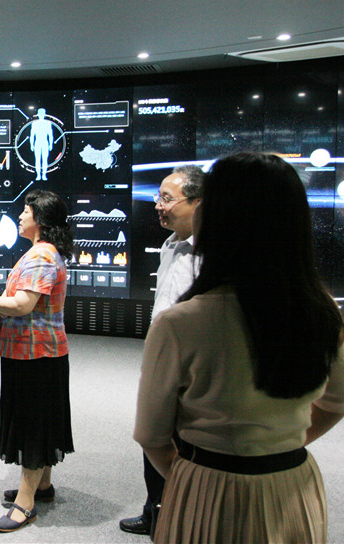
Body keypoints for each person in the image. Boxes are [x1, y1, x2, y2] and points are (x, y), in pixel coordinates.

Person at [134, 151, 344, 543]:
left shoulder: (180, 323)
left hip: (205, 488)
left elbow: (151, 435)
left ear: (215, 216)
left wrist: (192, 481)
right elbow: (335, 403)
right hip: (293, 485)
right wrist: (274, 448)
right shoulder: (324, 311)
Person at [120, 164, 205, 537]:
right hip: (161, 361)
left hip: (193, 369)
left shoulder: (214, 253)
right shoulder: (170, 245)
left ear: (198, 203)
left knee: (187, 445)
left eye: (167, 199)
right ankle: (155, 510)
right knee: (154, 437)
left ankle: (183, 519)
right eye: (158, 197)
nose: (158, 205)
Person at [0, 190, 75, 533]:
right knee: (42, 421)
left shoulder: (40, 255)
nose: (20, 216)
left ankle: (25, 504)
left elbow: (23, 304)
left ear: (41, 219)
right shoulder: (47, 252)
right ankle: (43, 486)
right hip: (40, 352)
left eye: (26, 211)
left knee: (33, 426)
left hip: (35, 353)